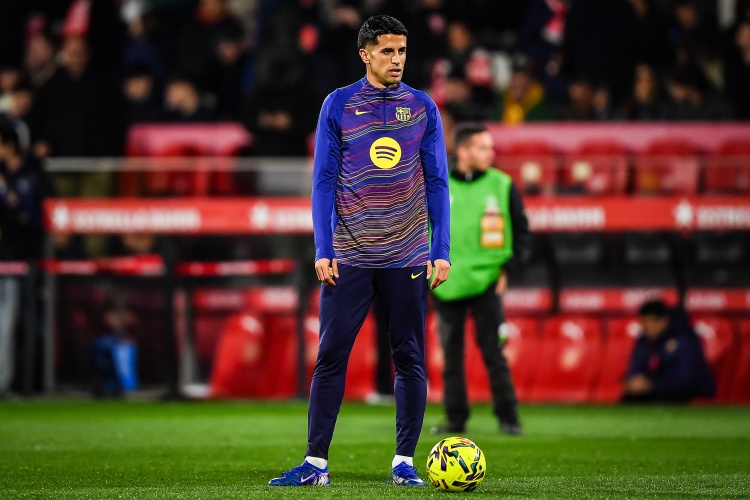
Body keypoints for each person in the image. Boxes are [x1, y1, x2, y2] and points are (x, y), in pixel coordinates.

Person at [268, 15, 451, 487]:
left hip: (408, 255)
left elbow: (437, 182)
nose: (397, 60)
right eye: (388, 51)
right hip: (349, 254)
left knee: (409, 358)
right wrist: (322, 247)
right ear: (365, 54)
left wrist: (441, 249)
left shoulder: (423, 107)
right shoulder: (339, 104)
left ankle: (404, 463)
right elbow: (323, 181)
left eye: (402, 51)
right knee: (331, 356)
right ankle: (315, 464)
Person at [429, 122, 529, 437]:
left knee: (494, 352)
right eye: (483, 147)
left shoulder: (503, 184)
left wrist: (508, 269)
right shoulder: (437, 184)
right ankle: (455, 419)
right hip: (446, 282)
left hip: (488, 280)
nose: (491, 153)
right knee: (451, 356)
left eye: (490, 147)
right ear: (463, 151)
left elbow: (523, 233)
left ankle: (508, 418)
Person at [622, 299, 715, 404]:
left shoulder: (684, 339)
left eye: (650, 321)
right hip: (657, 391)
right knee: (629, 399)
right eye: (644, 322)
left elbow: (685, 380)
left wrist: (652, 385)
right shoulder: (644, 340)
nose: (647, 327)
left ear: (663, 321)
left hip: (686, 393)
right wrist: (631, 381)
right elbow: (636, 367)